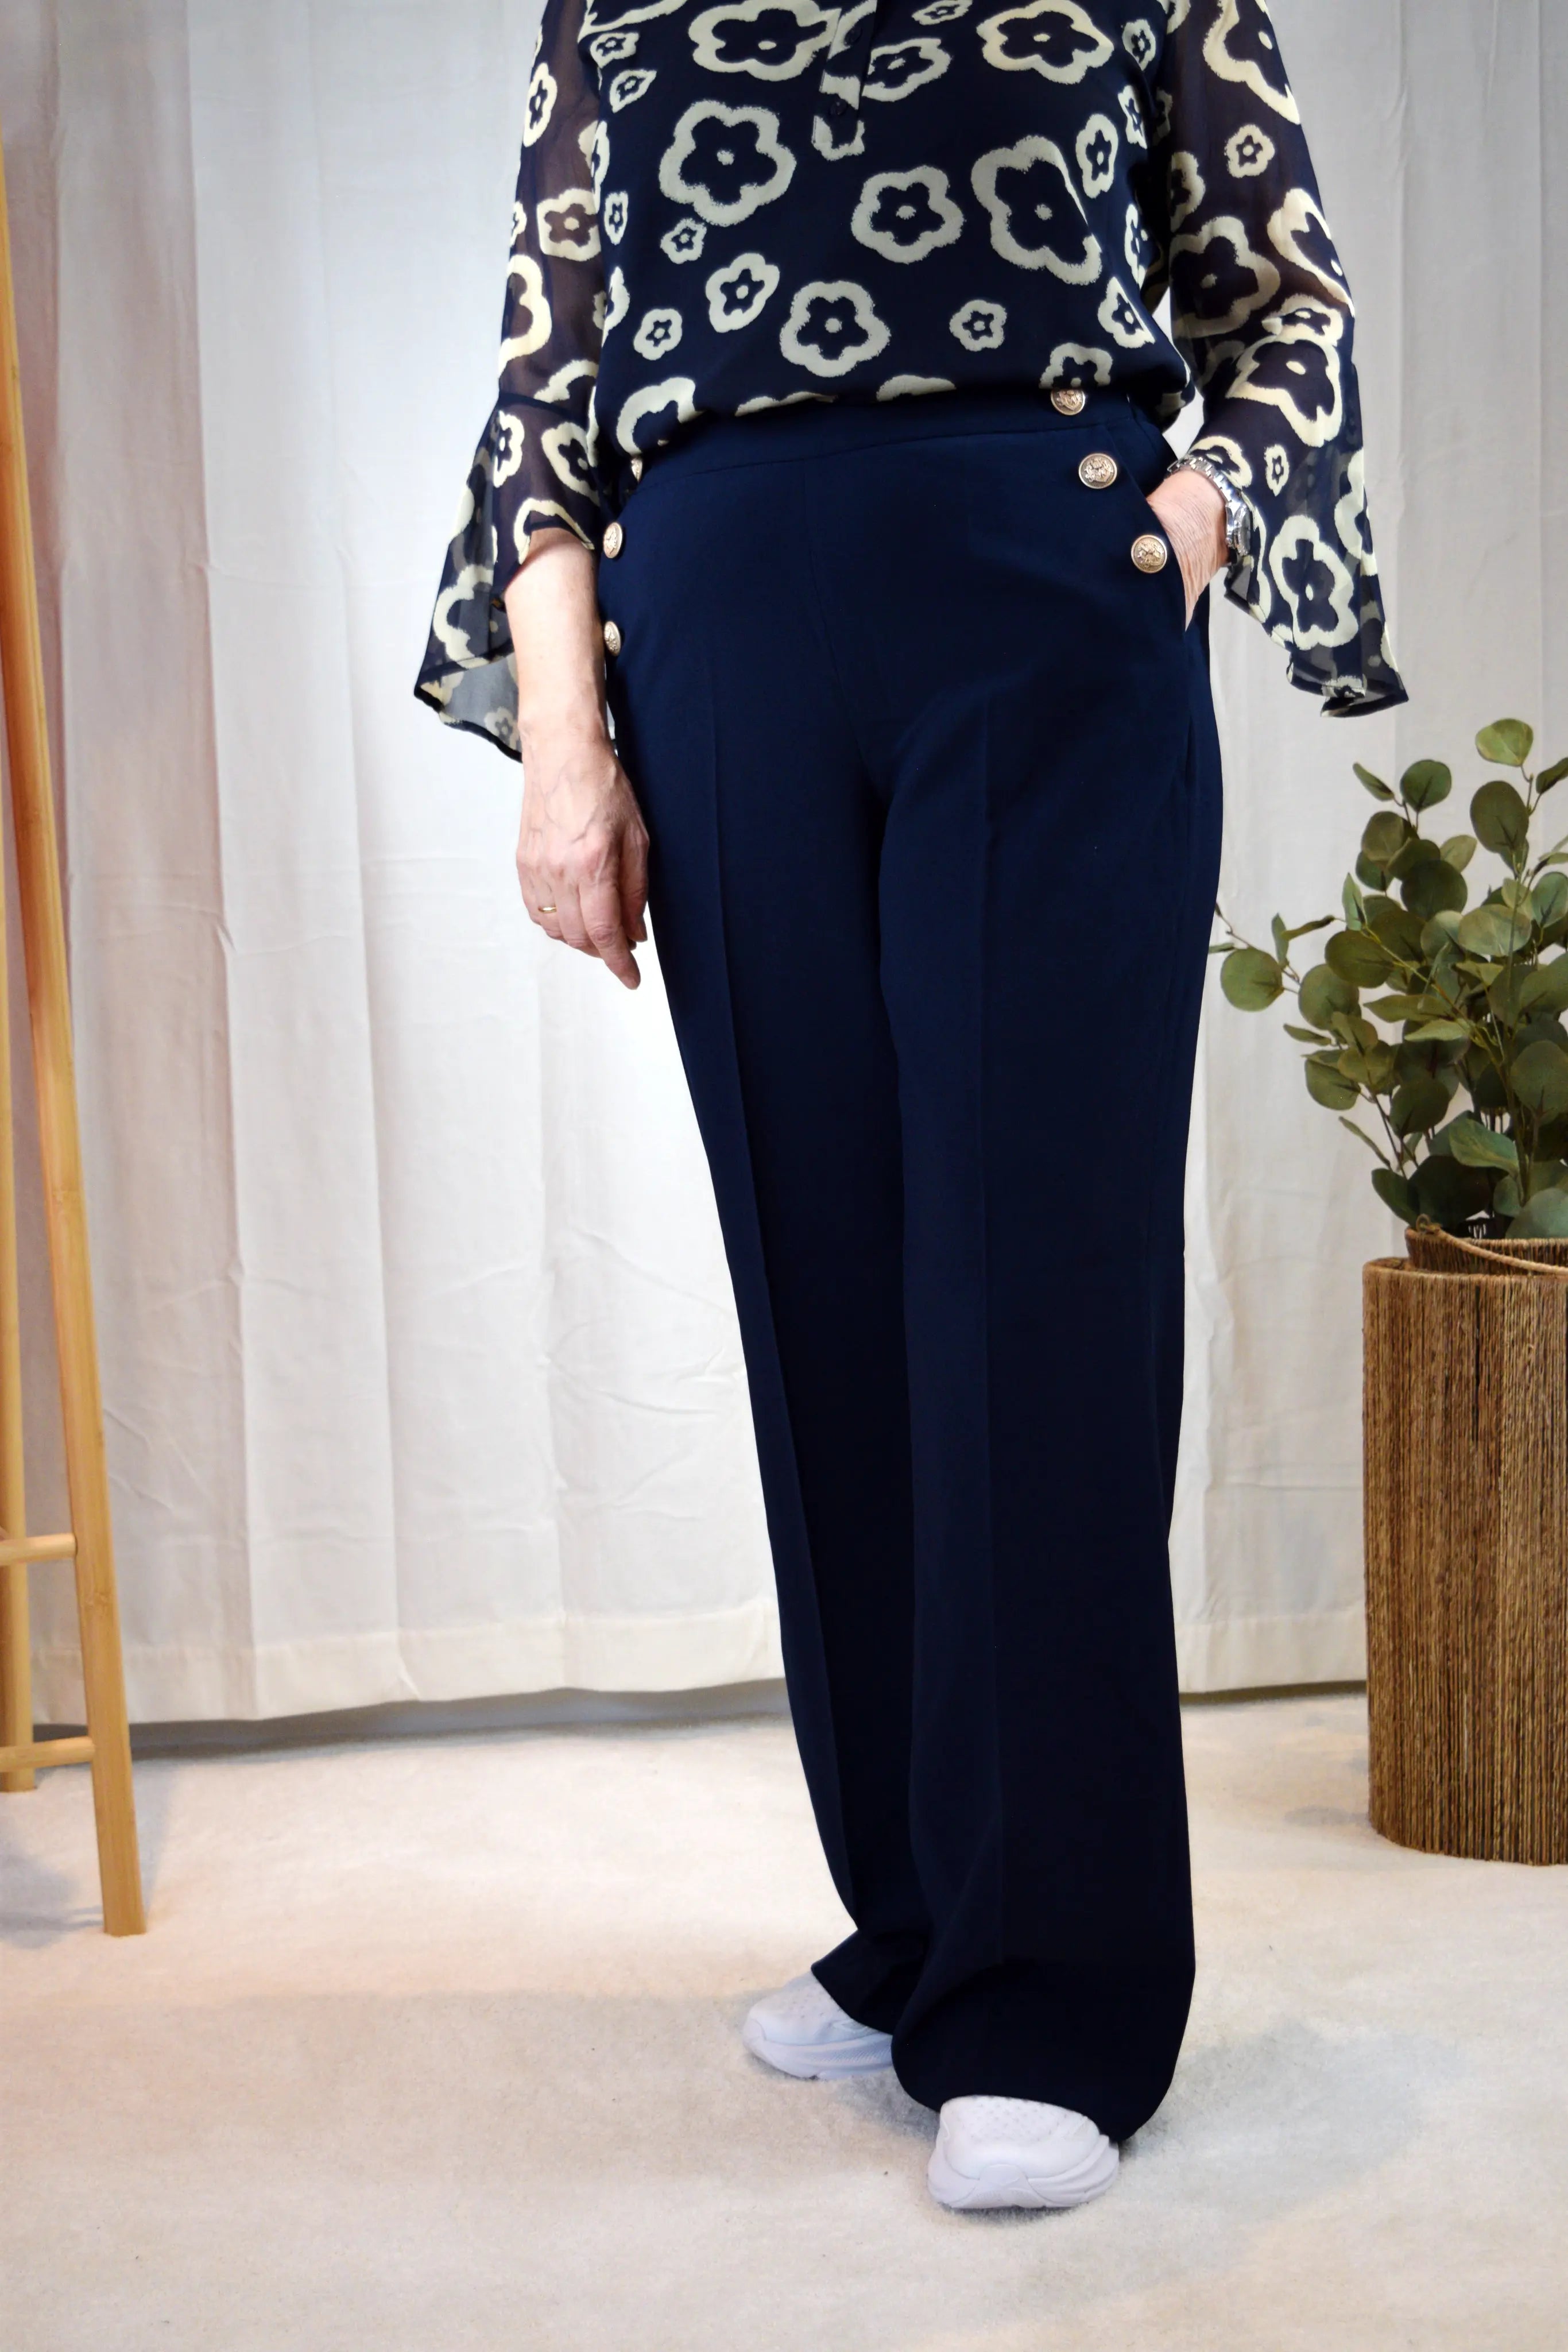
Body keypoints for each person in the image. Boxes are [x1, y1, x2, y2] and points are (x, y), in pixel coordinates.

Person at [417, 0, 1403, 2213]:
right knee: (830, 1294)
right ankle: (919, 1923)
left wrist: (1202, 512)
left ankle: (1053, 1995)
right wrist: (563, 748)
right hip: (720, 633)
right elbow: (547, 386)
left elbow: (1282, 299)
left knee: (1025, 1292)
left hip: (1042, 611)